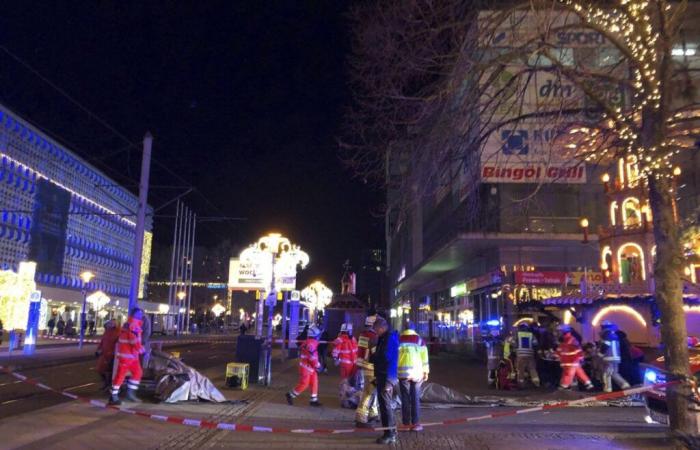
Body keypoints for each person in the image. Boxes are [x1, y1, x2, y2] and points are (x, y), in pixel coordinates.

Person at [370, 315, 399, 445]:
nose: (375, 332)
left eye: (376, 330)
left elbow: (387, 358)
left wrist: (374, 357)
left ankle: (390, 434)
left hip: (387, 376)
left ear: (382, 328)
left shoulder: (388, 339)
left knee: (386, 406)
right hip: (384, 375)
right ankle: (389, 432)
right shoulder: (384, 338)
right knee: (384, 406)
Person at [109, 308, 145, 405]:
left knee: (137, 373)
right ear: (134, 315)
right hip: (128, 356)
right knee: (121, 376)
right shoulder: (133, 326)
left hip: (131, 356)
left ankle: (129, 394)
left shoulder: (132, 325)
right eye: (139, 314)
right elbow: (134, 341)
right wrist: (141, 350)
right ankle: (114, 397)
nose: (141, 315)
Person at [397, 326, 429, 432]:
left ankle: (406, 424)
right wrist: (426, 372)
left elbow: (394, 357)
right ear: (415, 330)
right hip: (417, 374)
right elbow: (425, 358)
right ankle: (416, 424)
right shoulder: (419, 340)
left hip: (402, 374)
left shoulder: (398, 339)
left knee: (405, 399)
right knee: (415, 398)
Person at [286, 324, 322, 407]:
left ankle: (314, 399)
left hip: (309, 367)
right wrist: (318, 366)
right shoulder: (311, 345)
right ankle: (290, 395)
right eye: (318, 335)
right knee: (304, 384)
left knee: (314, 382)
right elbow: (313, 358)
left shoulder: (310, 343)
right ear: (315, 336)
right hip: (306, 368)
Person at [355, 314, 379, 428]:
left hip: (366, 367)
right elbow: (375, 353)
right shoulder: (374, 337)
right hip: (372, 367)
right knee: (369, 392)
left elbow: (361, 352)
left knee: (371, 391)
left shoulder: (363, 334)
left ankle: (373, 414)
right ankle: (361, 417)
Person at [556, 325, 593, 391]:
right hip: (569, 361)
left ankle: (565, 386)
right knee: (579, 372)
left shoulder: (572, 340)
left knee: (568, 374)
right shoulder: (565, 340)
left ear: (564, 332)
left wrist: (581, 358)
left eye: (560, 331)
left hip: (572, 361)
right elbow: (560, 349)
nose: (558, 333)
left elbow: (578, 350)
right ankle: (588, 384)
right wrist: (556, 355)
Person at [599, 322, 630, 392]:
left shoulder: (607, 335)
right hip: (616, 358)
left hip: (609, 358)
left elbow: (605, 346)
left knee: (607, 374)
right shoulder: (614, 335)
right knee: (614, 373)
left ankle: (607, 390)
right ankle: (625, 385)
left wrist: (599, 354)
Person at [332, 323, 358, 406]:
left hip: (352, 364)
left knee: (350, 382)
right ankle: (344, 400)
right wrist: (336, 359)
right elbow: (335, 351)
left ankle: (349, 399)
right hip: (347, 364)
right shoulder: (342, 339)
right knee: (346, 382)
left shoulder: (351, 339)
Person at [95, 320, 120, 390]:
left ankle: (108, 384)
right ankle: (106, 383)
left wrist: (114, 353)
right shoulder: (107, 332)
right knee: (100, 369)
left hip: (112, 355)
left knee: (109, 371)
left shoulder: (118, 332)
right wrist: (98, 349)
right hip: (104, 354)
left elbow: (118, 344)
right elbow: (102, 341)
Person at [514, 322, 540, 388]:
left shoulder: (517, 334)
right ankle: (536, 383)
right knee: (532, 369)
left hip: (521, 354)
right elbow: (535, 343)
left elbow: (512, 342)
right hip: (530, 354)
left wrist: (515, 347)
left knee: (520, 370)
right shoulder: (531, 335)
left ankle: (521, 384)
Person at [482, 321, 503, 387]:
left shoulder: (498, 339)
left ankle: (496, 382)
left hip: (497, 358)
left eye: (496, 329)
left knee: (496, 371)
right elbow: (487, 344)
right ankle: (491, 383)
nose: (495, 331)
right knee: (492, 371)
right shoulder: (489, 339)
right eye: (494, 330)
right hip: (493, 358)